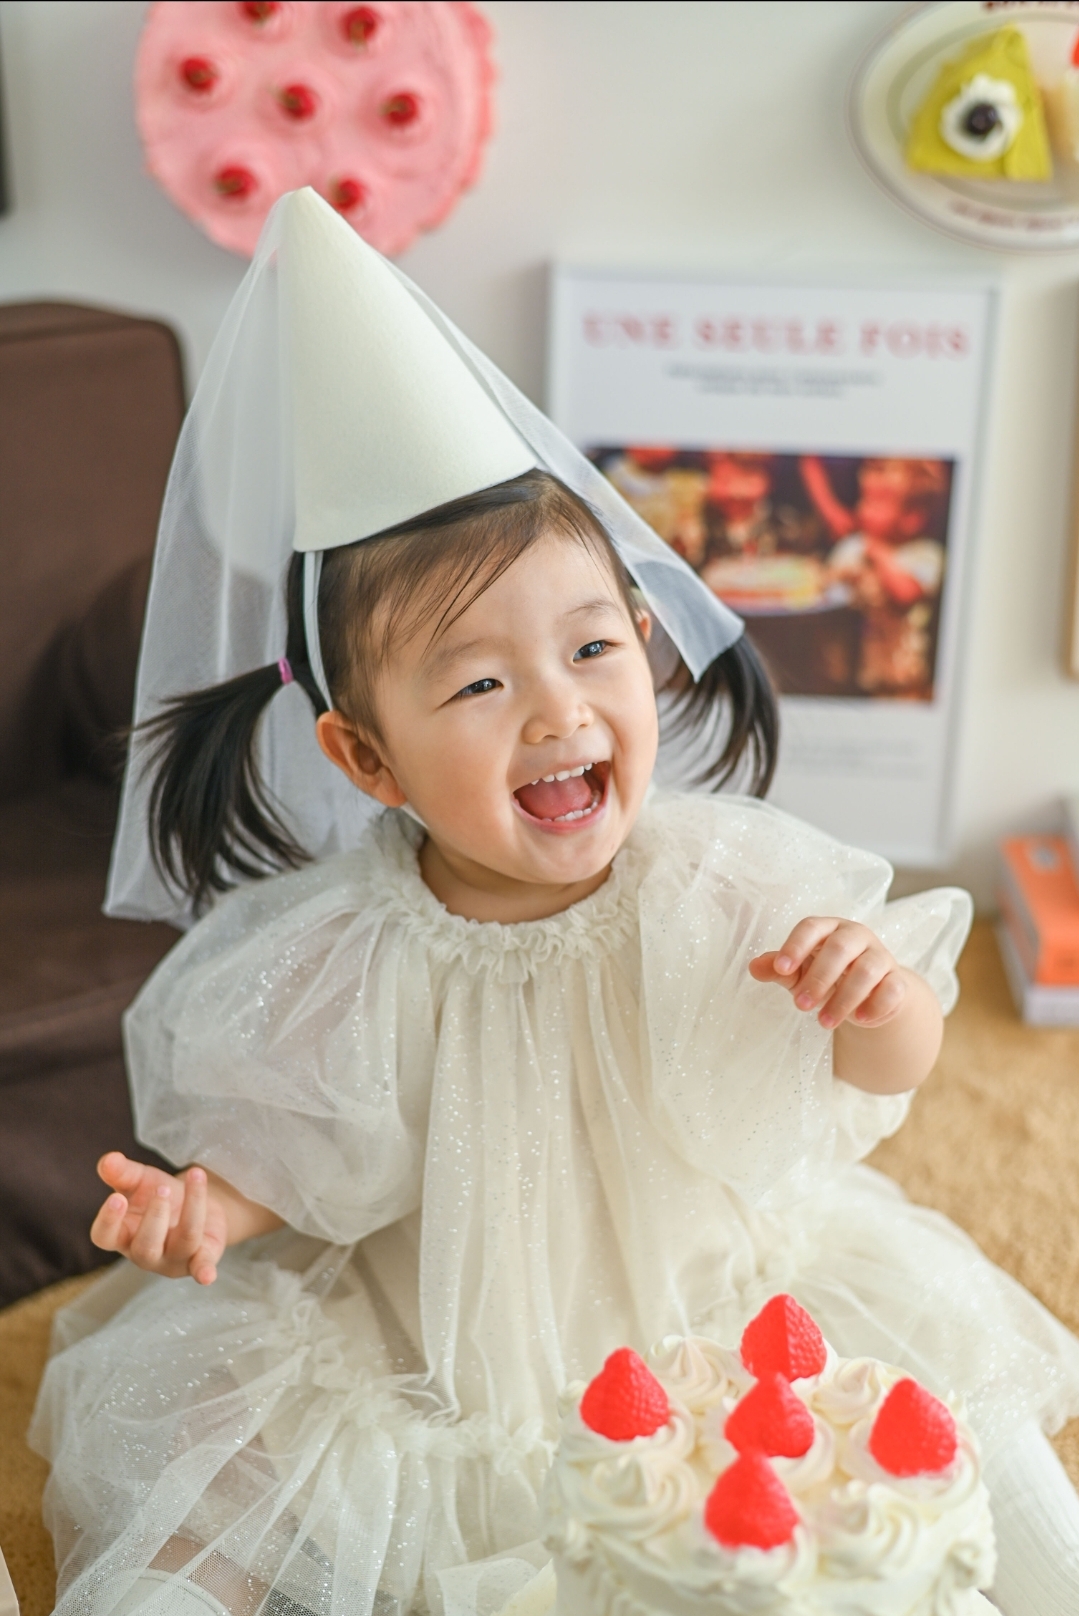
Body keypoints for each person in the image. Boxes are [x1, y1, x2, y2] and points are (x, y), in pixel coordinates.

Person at [30, 191, 1079, 1616]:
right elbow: (305, 1149)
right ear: (365, 758)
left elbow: (877, 1080)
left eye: (590, 649)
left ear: (643, 642)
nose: (556, 711)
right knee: (232, 1513)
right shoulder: (353, 948)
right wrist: (207, 1206)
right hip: (450, 1337)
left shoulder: (719, 881)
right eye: (478, 681)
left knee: (942, 1458)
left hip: (717, 1295)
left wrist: (875, 1001)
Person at [799, 454, 949, 698]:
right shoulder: (853, 546)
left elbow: (906, 594)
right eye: (864, 499)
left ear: (913, 518)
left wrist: (878, 552)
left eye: (876, 504)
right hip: (850, 669)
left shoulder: (925, 555)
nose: (862, 510)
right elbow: (825, 586)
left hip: (899, 677)